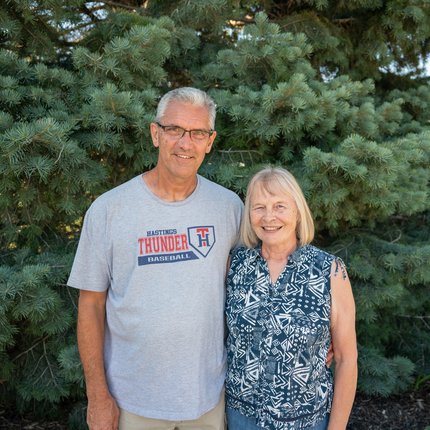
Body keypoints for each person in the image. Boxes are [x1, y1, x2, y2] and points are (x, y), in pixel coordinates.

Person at [67, 87, 244, 430]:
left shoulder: (229, 208)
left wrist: (307, 341)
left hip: (207, 398)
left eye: (197, 133)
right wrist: (98, 396)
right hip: (132, 400)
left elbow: (249, 292)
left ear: (210, 141)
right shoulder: (109, 210)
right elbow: (90, 306)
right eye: (174, 129)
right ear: (155, 134)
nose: (184, 143)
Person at [225, 166, 357, 430]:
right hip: (241, 418)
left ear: (297, 211)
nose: (268, 217)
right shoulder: (235, 266)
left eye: (280, 206)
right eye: (259, 207)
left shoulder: (329, 271)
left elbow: (345, 359)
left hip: (307, 422)